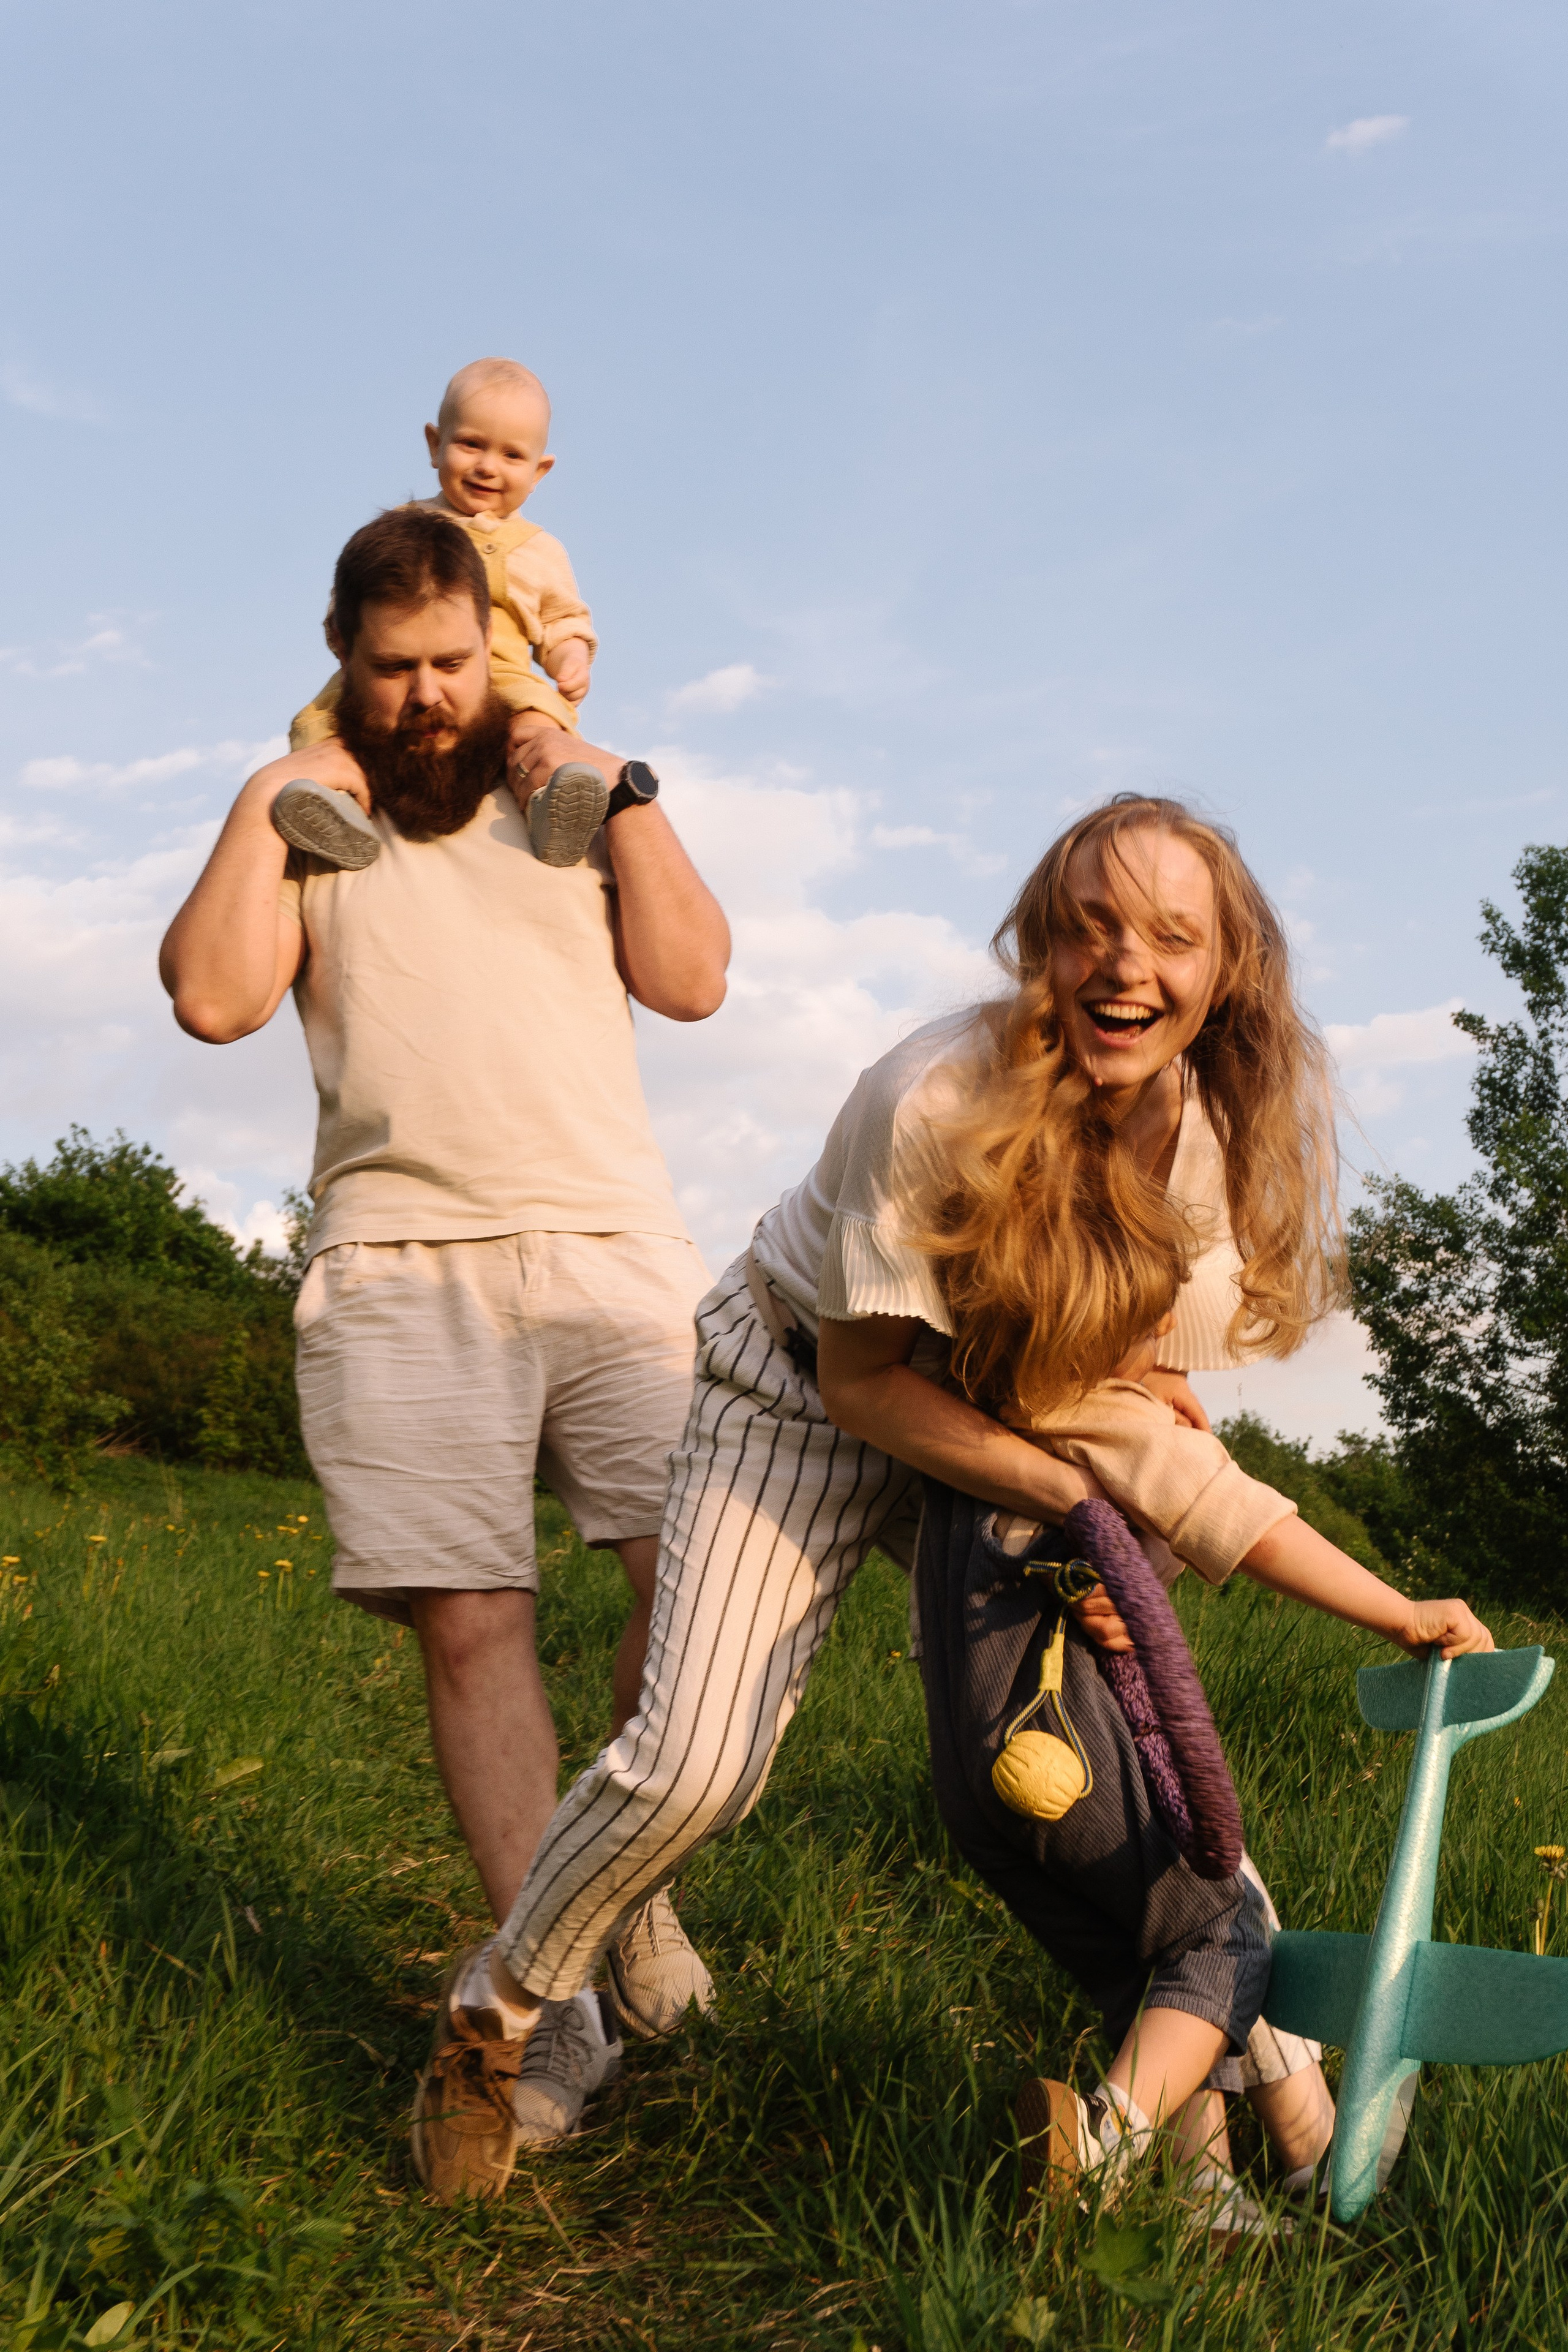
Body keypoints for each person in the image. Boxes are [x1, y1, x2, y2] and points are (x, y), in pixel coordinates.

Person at [410, 794, 1491, 2220]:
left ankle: (1223, 2102)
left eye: (1171, 935)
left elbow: (1151, 1390)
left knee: (1138, 1767)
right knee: (693, 1763)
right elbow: (866, 1383)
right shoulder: (929, 1090)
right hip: (804, 1389)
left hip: (1023, 1404)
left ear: (1226, 971)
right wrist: (1072, 1497)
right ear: (1037, 939)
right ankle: (495, 2016)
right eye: (1091, 924)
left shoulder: (1208, 1140)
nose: (1125, 964)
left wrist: (1131, 1509)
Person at [157, 502, 731, 2157]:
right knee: (474, 1626)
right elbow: (211, 997)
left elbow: (693, 981)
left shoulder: (569, 790)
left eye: (453, 662)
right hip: (402, 1260)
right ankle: (553, 2022)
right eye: (393, 669)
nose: (427, 697)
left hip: (613, 1242)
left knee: (682, 1588)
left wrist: (618, 786)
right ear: (341, 665)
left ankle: (623, 1896)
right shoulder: (311, 811)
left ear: (497, 643)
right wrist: (266, 803)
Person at [277, 356, 612, 873]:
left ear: (539, 471)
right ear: (435, 444)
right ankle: (334, 804)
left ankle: (552, 806)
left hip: (503, 676)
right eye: (471, 444)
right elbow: (356, 595)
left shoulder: (539, 550)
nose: (487, 466)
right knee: (322, 722)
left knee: (538, 730)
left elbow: (564, 618)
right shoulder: (404, 526)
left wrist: (569, 660)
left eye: (512, 455)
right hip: (401, 667)